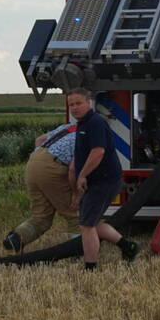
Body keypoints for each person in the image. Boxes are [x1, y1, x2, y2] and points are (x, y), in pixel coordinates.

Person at [66, 87, 137, 269]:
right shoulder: (82, 124)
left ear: (89, 103)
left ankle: (90, 268)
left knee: (86, 226)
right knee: (92, 222)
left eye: (78, 103)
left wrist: (82, 175)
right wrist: (76, 189)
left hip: (104, 181)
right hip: (95, 181)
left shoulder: (95, 122)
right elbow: (79, 158)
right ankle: (127, 246)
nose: (74, 107)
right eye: (71, 104)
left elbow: (98, 152)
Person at [2, 120, 79, 254]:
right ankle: (78, 251)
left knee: (41, 217)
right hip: (53, 167)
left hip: (33, 162)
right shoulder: (89, 133)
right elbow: (73, 167)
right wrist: (76, 193)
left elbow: (40, 139)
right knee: (76, 216)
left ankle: (15, 239)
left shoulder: (68, 127)